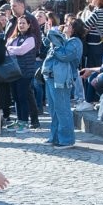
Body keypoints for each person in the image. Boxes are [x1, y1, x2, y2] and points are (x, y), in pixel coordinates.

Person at [41, 17, 85, 148]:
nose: (65, 26)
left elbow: (65, 56)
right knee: (53, 109)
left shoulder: (75, 42)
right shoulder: (64, 40)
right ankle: (55, 137)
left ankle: (66, 140)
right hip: (52, 77)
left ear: (74, 28)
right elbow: (47, 47)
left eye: (69, 25)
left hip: (61, 79)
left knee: (62, 109)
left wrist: (55, 45)